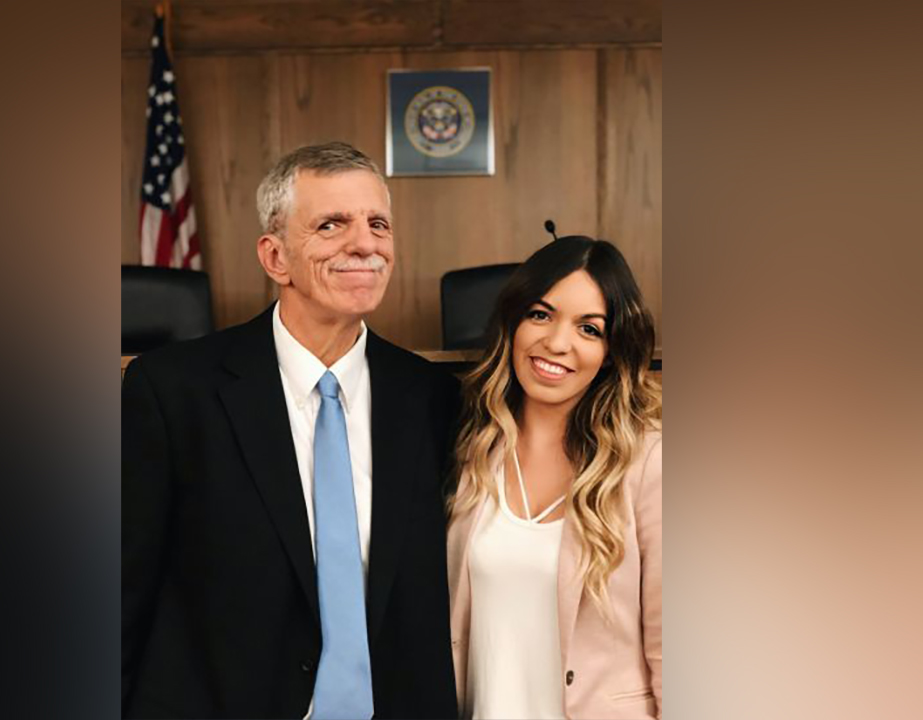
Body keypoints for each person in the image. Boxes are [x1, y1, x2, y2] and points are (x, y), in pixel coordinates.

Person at [122, 142, 460, 719]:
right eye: (332, 224)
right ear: (275, 257)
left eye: (378, 224)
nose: (365, 243)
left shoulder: (431, 397)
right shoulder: (173, 390)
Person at [447, 236, 662, 719]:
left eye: (589, 328)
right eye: (541, 315)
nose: (557, 343)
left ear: (610, 350)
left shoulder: (650, 461)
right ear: (513, 321)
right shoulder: (469, 448)